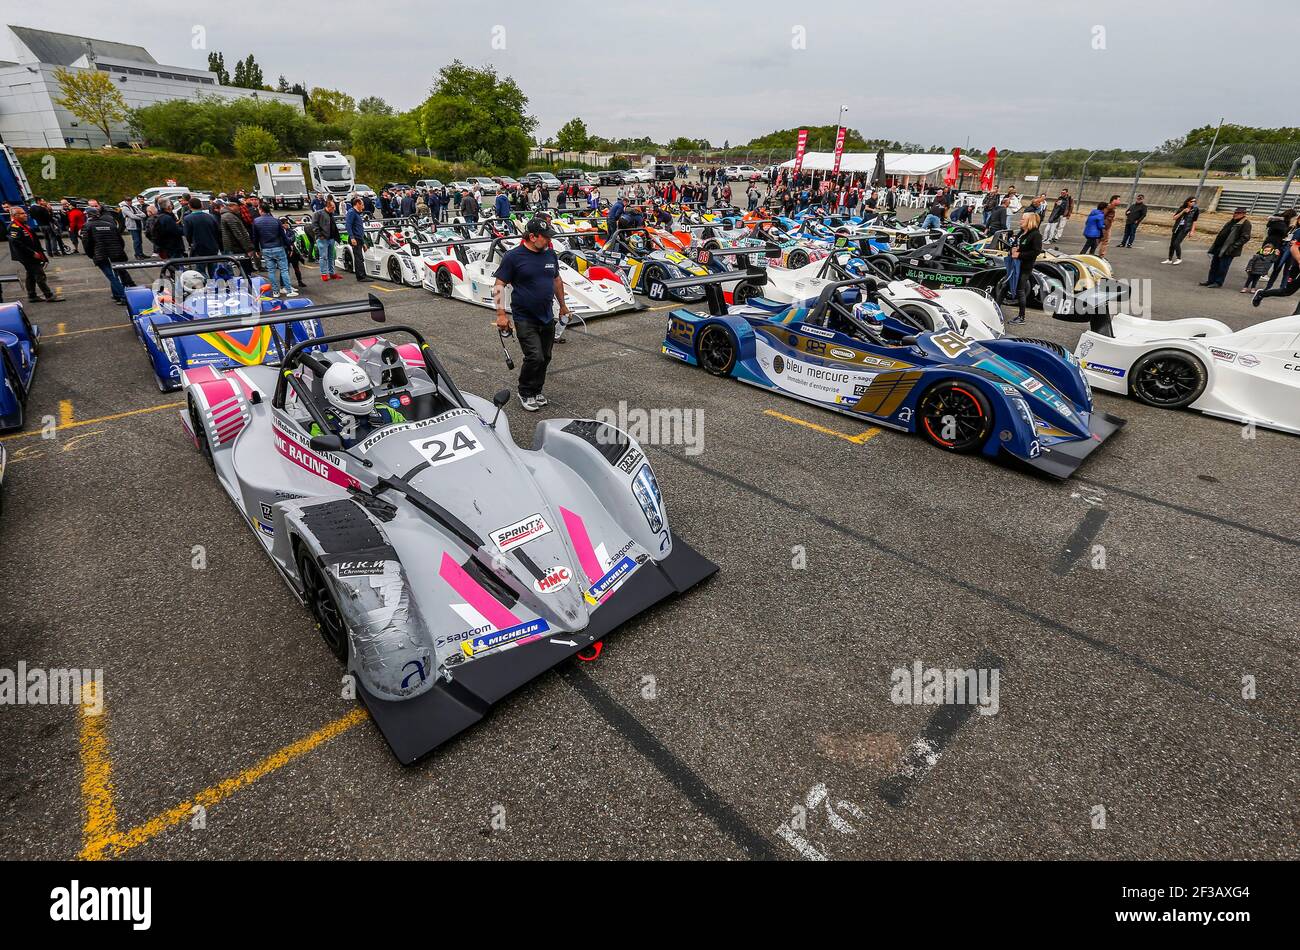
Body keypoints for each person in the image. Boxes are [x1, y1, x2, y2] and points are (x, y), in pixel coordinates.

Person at [493, 218, 570, 411]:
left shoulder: (550, 254)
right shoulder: (513, 257)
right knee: (534, 356)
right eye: (545, 238)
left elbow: (556, 281)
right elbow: (499, 285)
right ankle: (525, 391)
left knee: (545, 356)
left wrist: (562, 305)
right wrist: (501, 314)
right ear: (532, 236)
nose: (548, 241)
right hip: (525, 316)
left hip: (546, 315)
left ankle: (537, 390)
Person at [311, 363, 404, 448]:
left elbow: (408, 434)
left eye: (365, 391)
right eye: (355, 394)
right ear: (336, 394)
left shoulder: (386, 411)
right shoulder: (324, 424)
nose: (363, 396)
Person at [6, 206, 62, 303]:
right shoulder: (14, 227)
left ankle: (32, 295)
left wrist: (42, 255)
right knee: (39, 274)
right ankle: (48, 295)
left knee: (31, 275)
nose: (25, 215)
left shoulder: (23, 225)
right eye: (22, 213)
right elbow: (17, 243)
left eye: (24, 213)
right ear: (15, 216)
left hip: (32, 253)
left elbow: (34, 241)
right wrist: (32, 253)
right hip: (26, 256)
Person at [80, 201, 130, 305]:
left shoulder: (87, 226)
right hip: (115, 253)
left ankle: (123, 297)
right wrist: (119, 251)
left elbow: (86, 243)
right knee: (114, 275)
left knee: (111, 276)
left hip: (101, 254)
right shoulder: (109, 225)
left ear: (88, 215)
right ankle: (117, 295)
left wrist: (91, 255)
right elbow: (120, 240)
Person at [1252, 216, 1300, 312]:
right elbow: (1294, 247)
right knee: (1286, 291)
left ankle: (1295, 318)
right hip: (1296, 267)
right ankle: (1262, 293)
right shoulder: (1298, 231)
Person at [1200, 207, 1252, 288]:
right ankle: (1210, 280)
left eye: (1238, 213)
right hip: (1220, 247)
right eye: (1235, 212)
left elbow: (1245, 237)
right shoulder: (1231, 221)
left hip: (1228, 249)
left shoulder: (1245, 223)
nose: (1235, 214)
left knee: (1223, 267)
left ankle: (1218, 282)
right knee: (1214, 265)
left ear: (1243, 214)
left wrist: (1233, 247)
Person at [252, 206, 297, 297]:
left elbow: (255, 238)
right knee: (284, 270)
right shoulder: (276, 221)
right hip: (278, 247)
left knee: (271, 271)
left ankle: (275, 292)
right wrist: (289, 247)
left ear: (261, 210)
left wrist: (257, 250)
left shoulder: (256, 221)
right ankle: (288, 290)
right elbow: (283, 236)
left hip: (266, 248)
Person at [1007, 212, 1043, 324]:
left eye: (1023, 219)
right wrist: (1012, 250)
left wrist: (1020, 255)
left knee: (1020, 290)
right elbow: (1015, 245)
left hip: (1025, 267)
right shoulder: (1022, 232)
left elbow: (1036, 252)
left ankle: (1021, 317)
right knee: (1005, 286)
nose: (1020, 221)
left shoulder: (1036, 235)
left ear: (1029, 221)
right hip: (1014, 265)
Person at [313, 198, 342, 281]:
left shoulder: (331, 214)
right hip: (323, 239)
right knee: (323, 257)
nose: (334, 209)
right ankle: (324, 274)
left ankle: (332, 273)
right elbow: (314, 225)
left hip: (331, 238)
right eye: (333, 207)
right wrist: (320, 235)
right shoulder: (318, 213)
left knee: (331, 256)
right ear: (328, 207)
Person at [1163, 197, 1199, 264]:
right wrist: (1183, 211)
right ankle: (1169, 259)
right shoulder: (1182, 208)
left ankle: (1179, 258)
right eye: (1191, 201)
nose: (1193, 203)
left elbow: (1194, 221)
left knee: (1177, 243)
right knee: (1172, 244)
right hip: (1177, 227)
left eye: (1194, 201)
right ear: (1187, 202)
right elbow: (1174, 218)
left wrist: (1192, 231)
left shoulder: (1195, 210)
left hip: (1185, 228)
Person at [345, 198, 370, 281]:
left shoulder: (357, 213)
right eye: (362, 205)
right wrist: (352, 237)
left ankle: (362, 275)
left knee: (360, 257)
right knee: (358, 257)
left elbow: (360, 229)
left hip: (359, 238)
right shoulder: (351, 212)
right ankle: (360, 276)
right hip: (355, 238)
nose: (363, 207)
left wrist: (363, 242)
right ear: (357, 204)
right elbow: (348, 225)